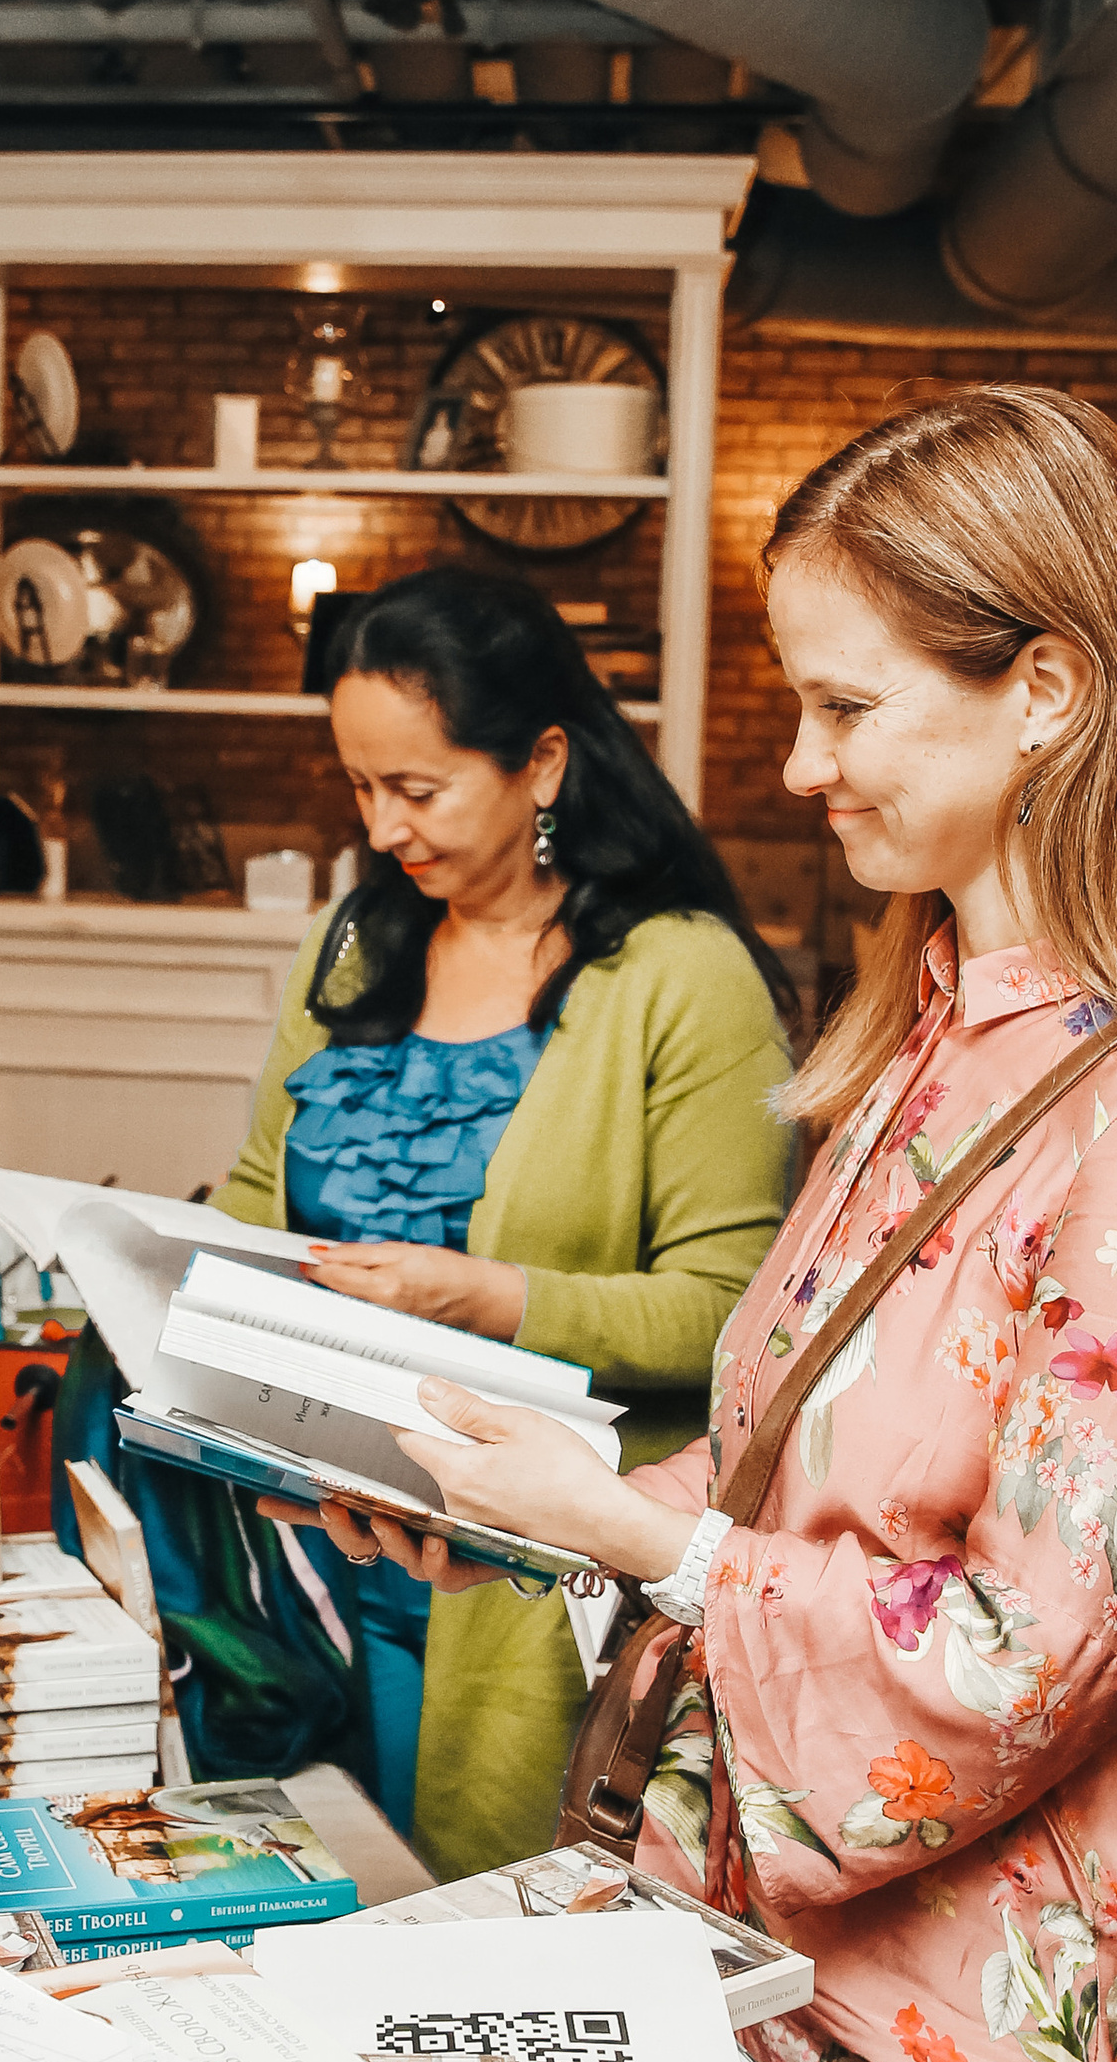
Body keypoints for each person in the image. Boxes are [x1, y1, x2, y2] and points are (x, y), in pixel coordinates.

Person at [300, 390, 1117, 2062]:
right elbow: (797, 1483)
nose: (794, 763)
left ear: (1044, 689)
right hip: (791, 2013)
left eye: (850, 703)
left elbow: (1004, 1671)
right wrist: (521, 1501)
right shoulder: (938, 1036)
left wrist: (645, 1538)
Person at [211, 565, 794, 1862]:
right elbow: (260, 1197)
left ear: (541, 763)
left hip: (527, 1584)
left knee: (472, 1931)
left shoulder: (681, 978)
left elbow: (738, 1320)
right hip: (319, 1549)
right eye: (360, 787)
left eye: (419, 789)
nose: (383, 829)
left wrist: (481, 1296)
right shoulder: (352, 948)